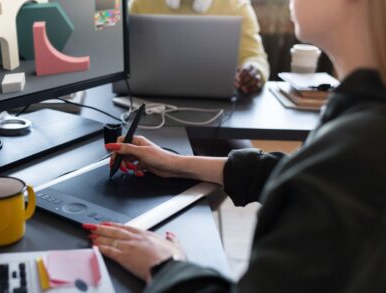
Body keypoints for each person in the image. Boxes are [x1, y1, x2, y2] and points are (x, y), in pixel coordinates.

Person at [84, 0, 386, 291]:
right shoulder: (359, 132)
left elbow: (322, 177)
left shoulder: (358, 151)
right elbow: (290, 172)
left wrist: (167, 265)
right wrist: (174, 163)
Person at [130, 0, 270, 95]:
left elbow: (255, 56)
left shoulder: (236, 5)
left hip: (218, 112)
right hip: (150, 104)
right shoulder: (141, 3)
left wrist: (254, 69)